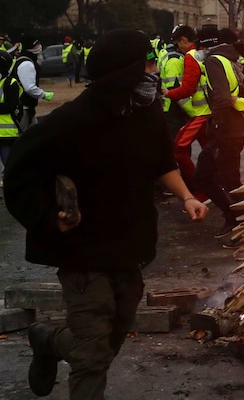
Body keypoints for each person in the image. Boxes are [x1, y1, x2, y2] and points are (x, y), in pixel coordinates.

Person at [3, 28, 208, 399]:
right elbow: (19, 173)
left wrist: (186, 197)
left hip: (129, 246)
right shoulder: (72, 120)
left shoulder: (144, 115)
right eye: (146, 64)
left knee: (111, 336)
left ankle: (48, 340)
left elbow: (159, 162)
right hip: (84, 250)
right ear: (123, 71)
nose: (153, 72)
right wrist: (50, 218)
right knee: (93, 355)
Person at [196, 27, 244, 241]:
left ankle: (242, 224)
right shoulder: (232, 59)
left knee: (220, 178)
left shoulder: (214, 62)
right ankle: (237, 220)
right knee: (224, 177)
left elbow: (221, 98)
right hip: (234, 128)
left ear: (203, 45)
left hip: (226, 131)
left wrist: (217, 126)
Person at [163, 25, 211, 197]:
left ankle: (200, 188)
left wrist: (169, 93)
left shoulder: (191, 57)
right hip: (208, 112)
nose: (177, 48)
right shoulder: (205, 54)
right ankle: (215, 185)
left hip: (200, 113)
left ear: (184, 40)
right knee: (210, 151)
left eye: (177, 43)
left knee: (179, 150)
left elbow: (188, 88)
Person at [9, 34, 53, 132]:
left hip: (27, 106)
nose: (40, 46)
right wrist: (44, 95)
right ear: (31, 47)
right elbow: (29, 88)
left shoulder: (25, 60)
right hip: (23, 107)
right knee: (22, 134)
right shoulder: (27, 63)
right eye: (37, 44)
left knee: (35, 133)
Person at [157, 35, 188, 140]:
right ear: (183, 41)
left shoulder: (168, 54)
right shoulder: (175, 59)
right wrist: (193, 111)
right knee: (177, 143)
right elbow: (175, 89)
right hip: (174, 108)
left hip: (168, 106)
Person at [0, 50, 22, 174]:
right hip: (6, 133)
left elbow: (11, 106)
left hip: (6, 134)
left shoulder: (10, 83)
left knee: (9, 166)